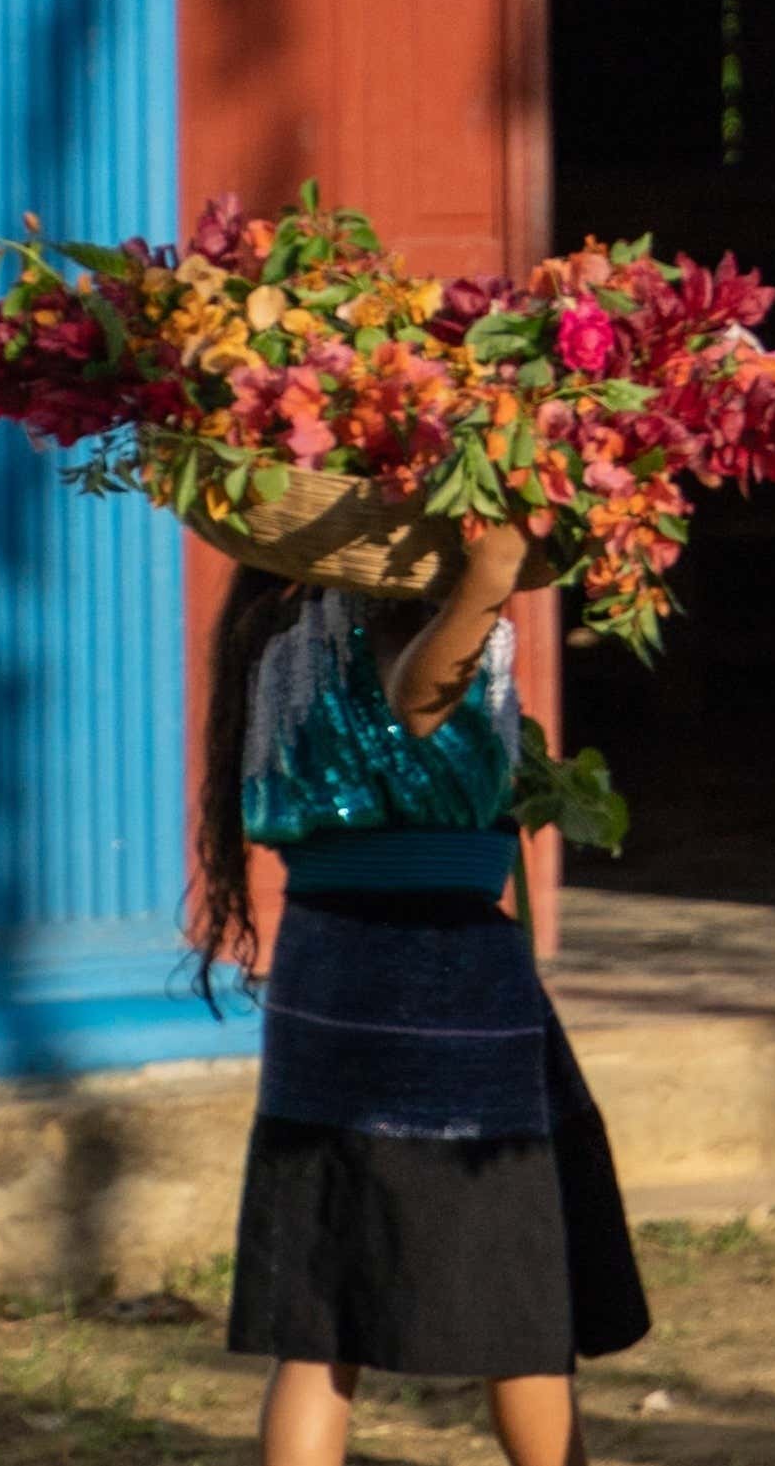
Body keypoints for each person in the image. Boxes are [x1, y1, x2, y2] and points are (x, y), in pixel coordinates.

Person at [197, 518, 648, 1466]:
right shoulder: (407, 616)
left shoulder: (292, 624)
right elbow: (417, 701)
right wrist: (485, 583)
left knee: (320, 1318)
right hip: (434, 982)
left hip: (325, 972)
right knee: (519, 1293)